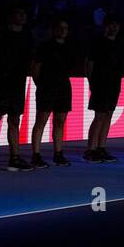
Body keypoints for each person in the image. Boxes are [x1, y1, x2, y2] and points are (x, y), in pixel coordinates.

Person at [0, 3, 35, 174]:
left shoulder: (27, 37)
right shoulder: (0, 37)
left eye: (24, 14)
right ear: (10, 16)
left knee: (14, 120)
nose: (22, 16)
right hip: (2, 84)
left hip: (18, 84)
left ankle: (14, 158)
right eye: (19, 13)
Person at [29, 16, 75, 167]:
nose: (63, 31)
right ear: (53, 29)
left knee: (60, 122)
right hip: (47, 87)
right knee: (41, 121)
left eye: (66, 28)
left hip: (64, 87)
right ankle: (36, 155)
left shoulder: (69, 47)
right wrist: (41, 85)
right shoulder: (44, 46)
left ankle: (58, 154)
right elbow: (35, 68)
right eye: (60, 27)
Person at [84, 13, 124, 163]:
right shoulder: (97, 42)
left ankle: (101, 148)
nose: (115, 27)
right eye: (112, 24)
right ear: (106, 26)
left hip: (114, 85)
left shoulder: (119, 45)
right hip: (100, 84)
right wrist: (92, 83)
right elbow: (89, 64)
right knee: (99, 116)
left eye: (117, 25)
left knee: (108, 115)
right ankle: (90, 150)